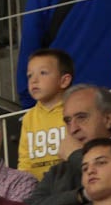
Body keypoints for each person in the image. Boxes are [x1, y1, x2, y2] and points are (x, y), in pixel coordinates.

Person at [18, 50, 74, 180]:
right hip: (40, 189)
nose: (34, 80)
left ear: (64, 81)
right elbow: (25, 161)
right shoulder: (28, 118)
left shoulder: (74, 111)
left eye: (43, 73)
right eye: (29, 75)